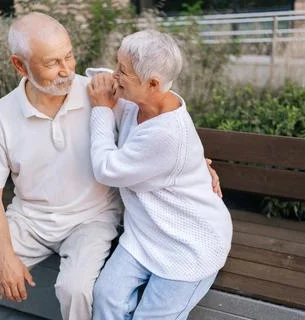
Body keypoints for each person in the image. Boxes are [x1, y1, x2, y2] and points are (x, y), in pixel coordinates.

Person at [0, 13, 221, 320]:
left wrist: (198, 164)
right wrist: (5, 257)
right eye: (52, 63)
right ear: (19, 65)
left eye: (69, 56)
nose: (66, 70)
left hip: (91, 219)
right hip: (29, 220)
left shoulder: (101, 94)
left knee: (76, 289)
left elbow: (159, 119)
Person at [88, 29, 233, 320]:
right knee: (106, 297)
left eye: (122, 71)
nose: (114, 76)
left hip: (189, 244)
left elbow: (106, 169)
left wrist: (102, 111)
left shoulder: (167, 134)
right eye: (117, 65)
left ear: (153, 83)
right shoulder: (143, 98)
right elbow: (96, 75)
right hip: (145, 234)